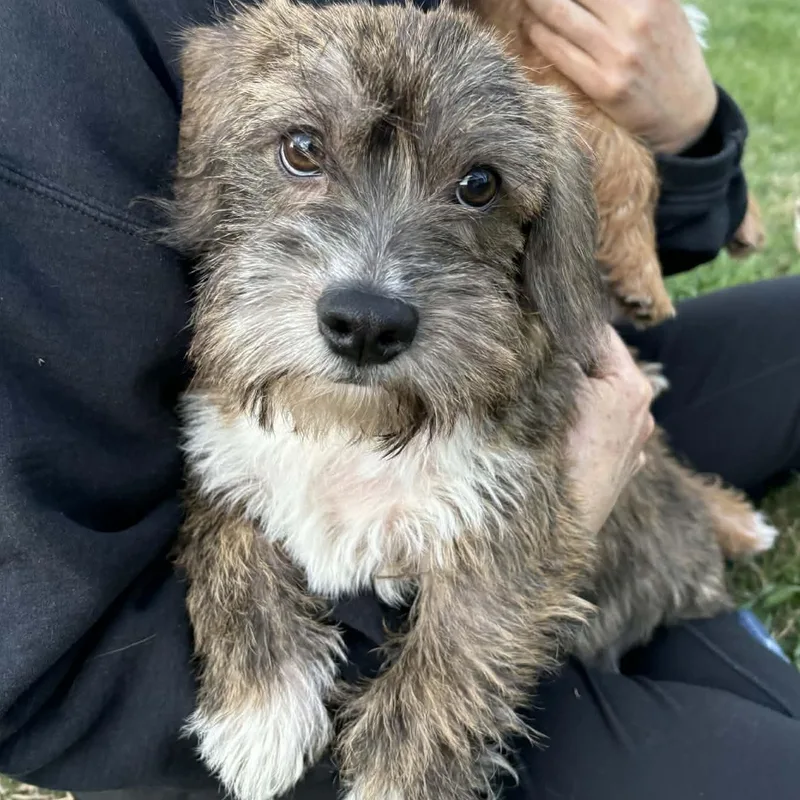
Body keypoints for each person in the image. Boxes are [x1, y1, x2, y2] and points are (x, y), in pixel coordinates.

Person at [0, 0, 797, 799]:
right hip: (393, 633)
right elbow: (45, 663)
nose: (374, 275)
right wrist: (545, 532)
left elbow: (597, 266)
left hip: (506, 413)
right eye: (303, 152)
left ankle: (701, 571)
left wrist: (690, 128)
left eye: (475, 187)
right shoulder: (57, 58)